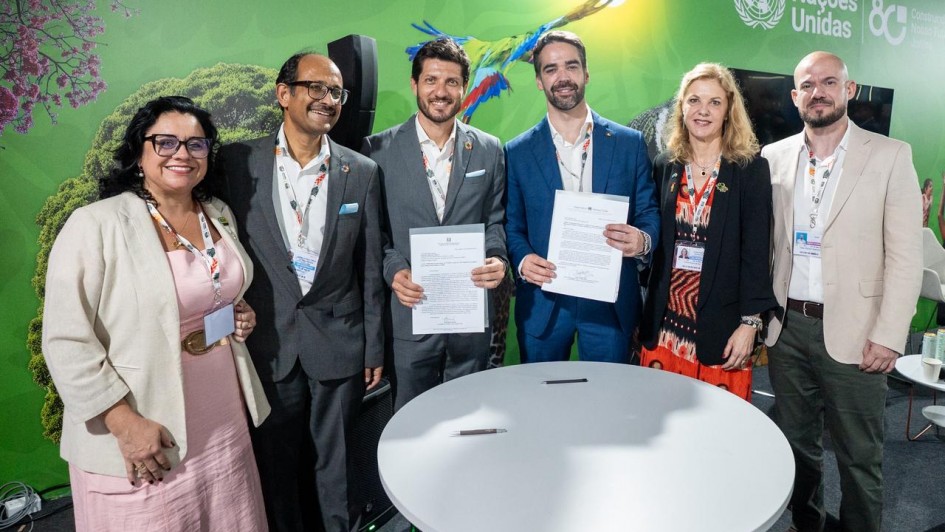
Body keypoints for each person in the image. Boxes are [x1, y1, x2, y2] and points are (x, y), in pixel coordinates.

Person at [42, 96, 271, 531]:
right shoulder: (95, 225)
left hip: (221, 412)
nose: (182, 154)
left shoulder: (217, 214)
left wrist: (236, 313)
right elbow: (65, 339)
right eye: (165, 142)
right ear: (138, 151)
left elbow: (212, 290)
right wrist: (123, 423)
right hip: (144, 420)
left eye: (196, 144)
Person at [215, 52, 384, 532]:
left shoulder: (361, 172)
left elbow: (369, 268)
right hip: (270, 344)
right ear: (283, 92)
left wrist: (373, 345)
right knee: (276, 469)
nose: (327, 100)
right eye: (316, 87)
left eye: (335, 92)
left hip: (340, 342)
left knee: (340, 469)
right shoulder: (237, 162)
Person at [762, 51, 922, 532]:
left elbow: (905, 256)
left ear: (848, 90)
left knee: (858, 456)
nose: (819, 92)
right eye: (808, 85)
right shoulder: (773, 157)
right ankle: (806, 525)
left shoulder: (891, 156)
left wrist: (891, 335)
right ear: (795, 97)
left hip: (858, 334)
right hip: (787, 329)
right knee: (796, 447)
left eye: (830, 82)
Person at [361, 39, 507, 410]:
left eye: (452, 82)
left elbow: (494, 221)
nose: (441, 92)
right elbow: (374, 233)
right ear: (414, 84)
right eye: (431, 80)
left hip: (469, 317)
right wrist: (393, 271)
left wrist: (497, 258)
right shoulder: (376, 152)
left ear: (464, 88)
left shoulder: (490, 149)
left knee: (469, 418)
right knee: (410, 418)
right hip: (411, 316)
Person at [505, 30, 659, 363]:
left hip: (610, 300)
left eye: (571, 66)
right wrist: (522, 259)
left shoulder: (629, 143)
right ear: (538, 81)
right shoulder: (516, 152)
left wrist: (642, 240)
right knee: (542, 400)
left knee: (610, 403)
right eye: (550, 69)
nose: (562, 77)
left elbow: (648, 211)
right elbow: (512, 225)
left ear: (586, 73)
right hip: (544, 302)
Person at [638, 63, 778, 401]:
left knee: (718, 439)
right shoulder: (664, 165)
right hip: (665, 328)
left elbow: (757, 253)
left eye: (715, 102)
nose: (703, 111)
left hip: (721, 330)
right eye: (694, 100)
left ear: (730, 110)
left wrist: (750, 324)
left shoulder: (750, 170)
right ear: (681, 107)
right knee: (658, 424)